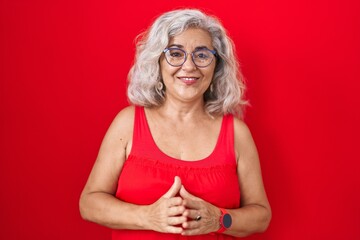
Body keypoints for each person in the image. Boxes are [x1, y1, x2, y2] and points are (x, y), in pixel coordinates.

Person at [79, 8, 271, 239]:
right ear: (157, 61)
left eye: (202, 55)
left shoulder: (236, 133)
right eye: (175, 53)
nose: (189, 66)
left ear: (216, 65)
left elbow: (261, 216)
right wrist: (147, 216)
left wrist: (219, 219)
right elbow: (88, 203)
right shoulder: (128, 122)